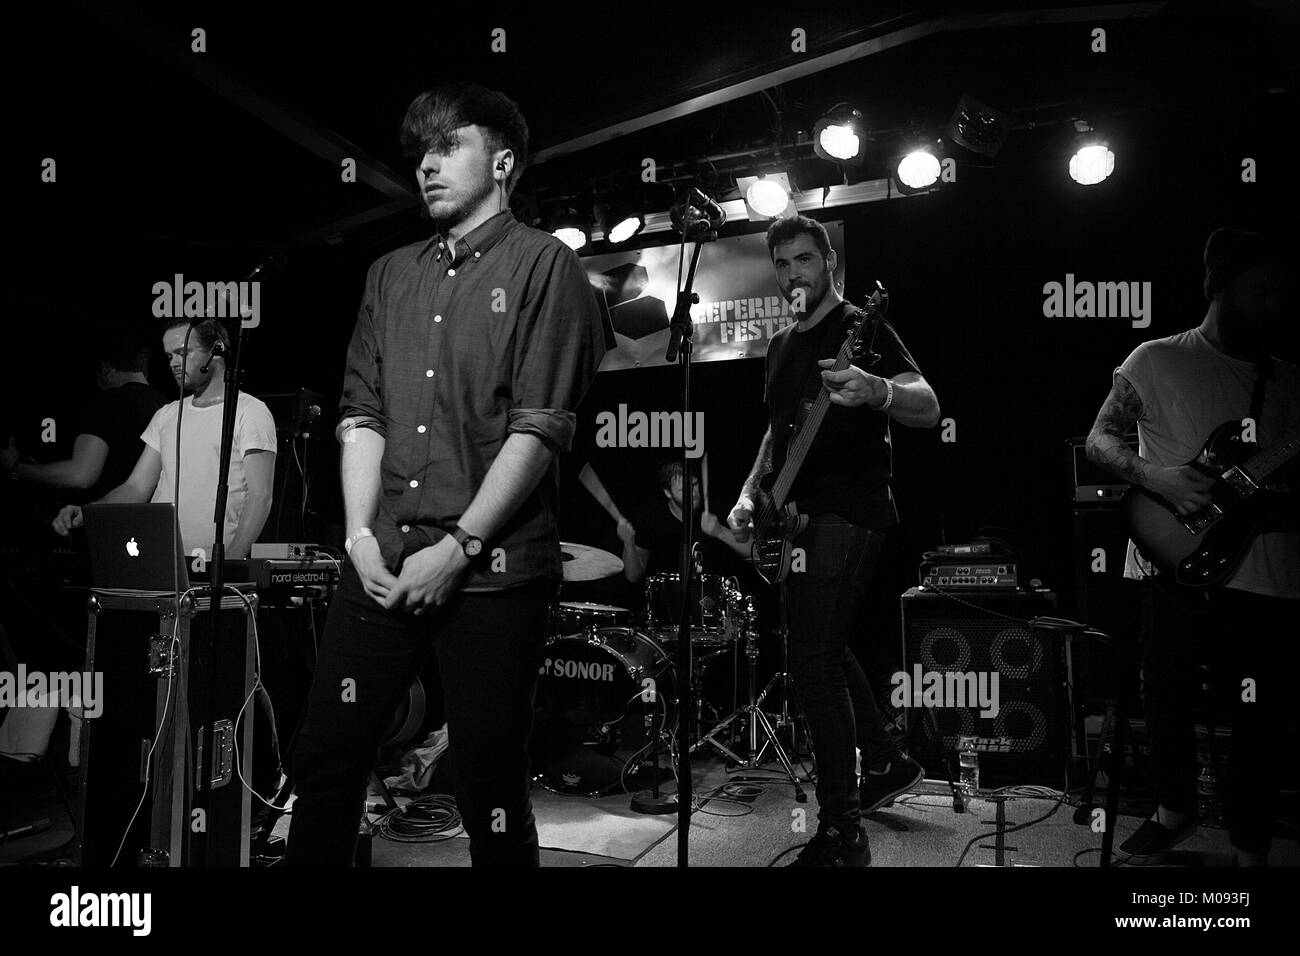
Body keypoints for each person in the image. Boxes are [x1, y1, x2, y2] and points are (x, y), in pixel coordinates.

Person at [286, 82, 605, 867]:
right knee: (325, 758)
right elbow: (361, 414)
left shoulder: (547, 266)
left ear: (502, 162)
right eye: (420, 151)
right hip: (384, 556)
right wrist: (360, 538)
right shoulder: (389, 273)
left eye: (446, 146)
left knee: (489, 783)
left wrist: (460, 546)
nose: (425, 165)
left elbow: (539, 429)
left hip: (493, 569)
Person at [728, 215, 938, 866]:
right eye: (783, 263)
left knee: (811, 664)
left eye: (805, 260)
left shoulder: (859, 326)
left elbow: (927, 405)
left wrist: (875, 390)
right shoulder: (780, 346)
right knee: (824, 642)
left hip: (851, 509)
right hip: (793, 513)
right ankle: (884, 760)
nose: (794, 273)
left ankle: (842, 833)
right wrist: (748, 493)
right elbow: (778, 434)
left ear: (830, 264)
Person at [1086, 228, 1299, 866]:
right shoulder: (1156, 359)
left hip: (1265, 573)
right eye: (1260, 292)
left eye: (1282, 295)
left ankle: (1249, 842)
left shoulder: (1289, 381)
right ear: (1220, 287)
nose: (1274, 306)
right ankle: (1171, 810)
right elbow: (1100, 440)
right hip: (1168, 560)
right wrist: (1160, 480)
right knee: (1166, 699)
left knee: (1259, 716)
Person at [50, 317, 277, 561]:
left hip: (212, 564)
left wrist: (229, 566)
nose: (174, 364)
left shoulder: (249, 411)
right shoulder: (167, 414)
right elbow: (136, 487)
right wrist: (87, 513)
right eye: (169, 357)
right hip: (160, 558)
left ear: (216, 351)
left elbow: (260, 496)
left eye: (183, 353)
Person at [2, 326, 166, 501]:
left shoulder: (107, 403)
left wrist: (16, 467)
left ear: (105, 367)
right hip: (151, 517)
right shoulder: (165, 405)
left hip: (108, 519)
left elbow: (81, 474)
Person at [620, 459, 748, 585]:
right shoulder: (652, 520)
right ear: (667, 492)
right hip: (668, 602)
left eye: (695, 484)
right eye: (683, 489)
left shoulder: (715, 509)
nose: (692, 493)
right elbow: (633, 576)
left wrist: (720, 531)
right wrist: (629, 544)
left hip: (712, 600)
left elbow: (755, 551)